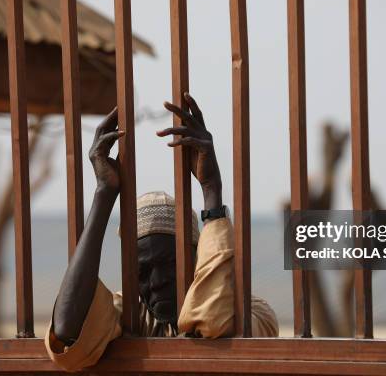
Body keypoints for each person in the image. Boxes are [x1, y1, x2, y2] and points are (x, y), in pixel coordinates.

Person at [44, 93, 279, 372]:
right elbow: (67, 331)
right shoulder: (131, 314)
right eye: (142, 271)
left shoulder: (253, 312)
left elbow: (213, 324)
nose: (155, 283)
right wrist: (104, 193)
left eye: (170, 263)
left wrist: (211, 190)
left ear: (197, 258)